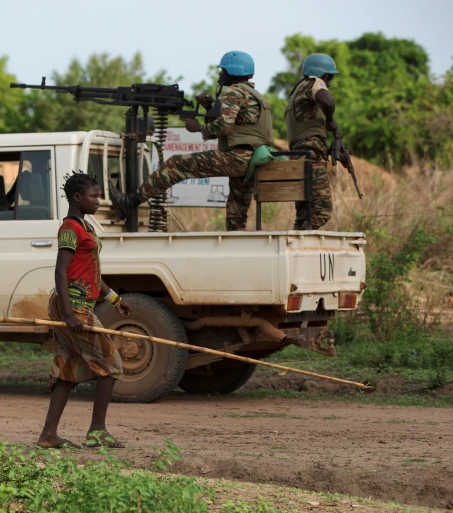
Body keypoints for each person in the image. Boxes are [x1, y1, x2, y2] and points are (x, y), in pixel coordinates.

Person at [110, 51, 274, 231]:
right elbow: (236, 126)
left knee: (176, 164)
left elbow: (225, 127)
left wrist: (198, 128)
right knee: (237, 210)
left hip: (239, 157)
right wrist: (208, 108)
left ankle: (128, 202)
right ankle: (235, 244)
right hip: (252, 160)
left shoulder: (233, 92)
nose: (220, 75)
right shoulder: (255, 95)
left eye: (223, 71)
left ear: (232, 72)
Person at [37, 173, 132, 450]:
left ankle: (48, 435)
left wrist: (115, 299)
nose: (99, 201)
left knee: (69, 369)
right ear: (77, 198)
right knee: (111, 364)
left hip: (79, 305)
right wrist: (68, 314)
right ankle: (97, 431)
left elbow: (91, 273)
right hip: (73, 307)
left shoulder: (85, 227)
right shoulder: (70, 228)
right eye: (94, 196)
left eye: (99, 195)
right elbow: (60, 272)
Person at [285, 53, 348, 230]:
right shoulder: (314, 83)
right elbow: (327, 101)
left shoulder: (296, 92)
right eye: (329, 78)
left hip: (298, 159)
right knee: (322, 211)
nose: (328, 83)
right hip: (310, 160)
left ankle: (296, 251)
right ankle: (303, 244)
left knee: (304, 215)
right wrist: (330, 119)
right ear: (324, 75)